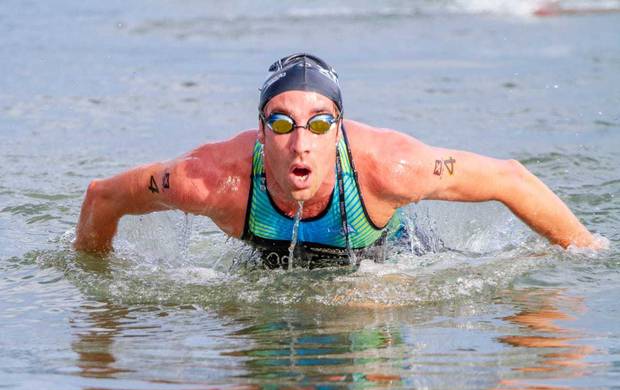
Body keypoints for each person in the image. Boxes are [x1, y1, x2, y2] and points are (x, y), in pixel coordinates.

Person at [74, 53, 603, 267]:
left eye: (320, 123)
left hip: (385, 254)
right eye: (281, 123)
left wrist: (588, 253)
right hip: (272, 261)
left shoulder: (390, 167)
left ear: (339, 129)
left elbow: (510, 179)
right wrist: (97, 287)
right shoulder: (211, 181)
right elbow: (103, 196)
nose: (300, 142)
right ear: (260, 132)